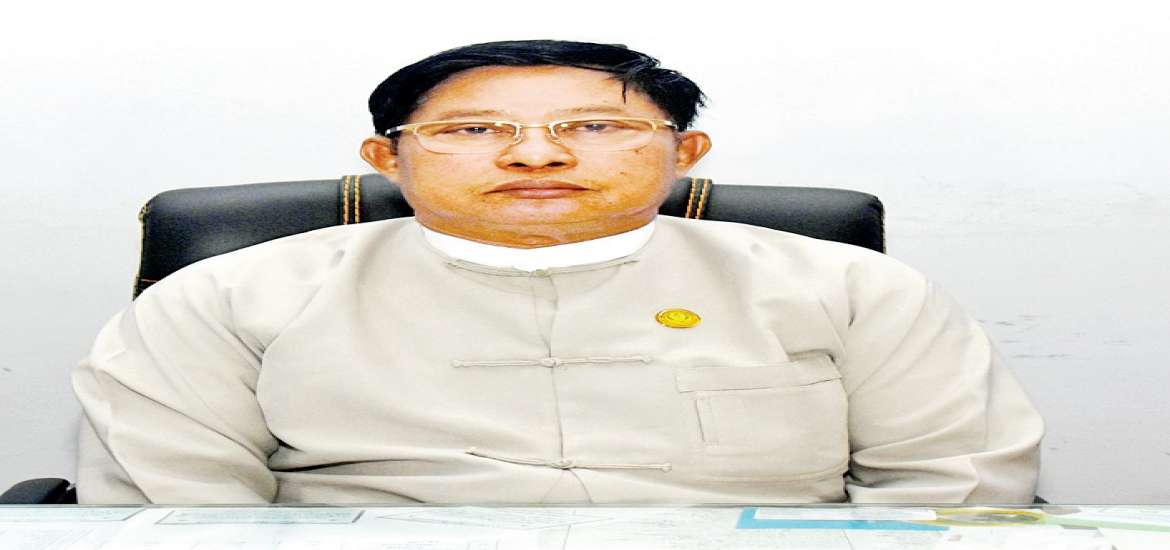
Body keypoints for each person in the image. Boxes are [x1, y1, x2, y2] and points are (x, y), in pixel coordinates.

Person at [73, 39, 1043, 504]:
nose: (536, 155)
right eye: (472, 131)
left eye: (595, 127)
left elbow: (955, 494)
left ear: (685, 153)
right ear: (386, 161)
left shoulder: (856, 292)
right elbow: (177, 516)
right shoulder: (223, 299)